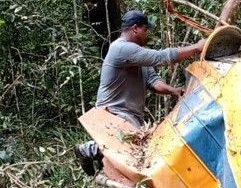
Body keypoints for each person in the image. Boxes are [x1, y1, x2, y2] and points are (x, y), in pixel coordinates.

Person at [74, 10, 205, 176]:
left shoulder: (137, 55)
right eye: (145, 30)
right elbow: (162, 57)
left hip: (130, 117)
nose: (147, 34)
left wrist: (173, 91)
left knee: (134, 160)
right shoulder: (121, 48)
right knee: (132, 156)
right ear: (135, 28)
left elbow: (153, 81)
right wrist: (196, 48)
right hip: (114, 114)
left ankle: (95, 151)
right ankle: (90, 148)